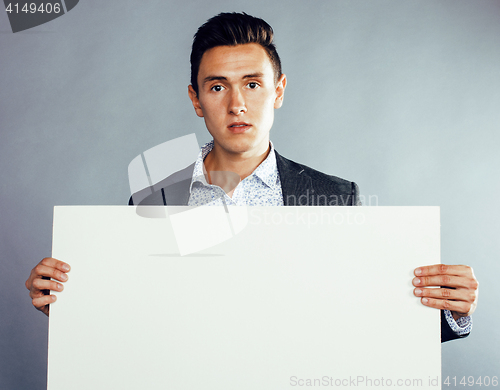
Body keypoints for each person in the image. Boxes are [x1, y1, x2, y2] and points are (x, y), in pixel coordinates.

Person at [25, 12, 478, 342]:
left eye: (253, 84)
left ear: (278, 90)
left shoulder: (333, 196)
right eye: (217, 86)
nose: (236, 104)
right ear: (196, 99)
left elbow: (370, 313)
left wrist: (450, 310)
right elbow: (128, 320)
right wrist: (66, 301)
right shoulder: (153, 202)